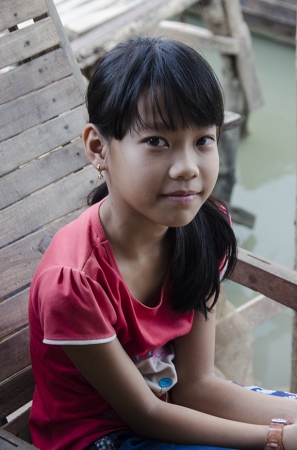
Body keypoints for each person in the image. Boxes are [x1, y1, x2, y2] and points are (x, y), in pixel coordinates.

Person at [28, 37, 297, 450]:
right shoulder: (73, 282)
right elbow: (144, 414)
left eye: (203, 140)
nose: (187, 168)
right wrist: (277, 439)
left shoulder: (206, 229)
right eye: (157, 141)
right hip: (98, 437)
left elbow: (197, 384)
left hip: (172, 405)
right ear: (98, 148)